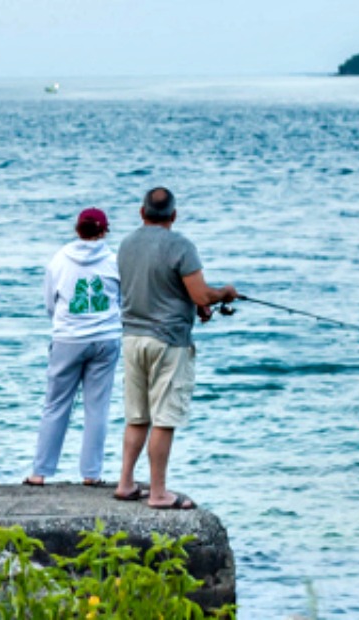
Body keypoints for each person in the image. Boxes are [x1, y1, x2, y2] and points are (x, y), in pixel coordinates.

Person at [114, 187, 237, 510]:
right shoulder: (181, 246)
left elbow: (154, 287)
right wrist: (224, 293)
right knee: (164, 418)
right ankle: (158, 493)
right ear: (173, 215)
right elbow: (200, 294)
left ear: (142, 213)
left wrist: (194, 303)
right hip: (168, 341)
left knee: (137, 416)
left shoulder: (126, 245)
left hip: (132, 338)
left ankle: (125, 483)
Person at [25, 208, 121, 487]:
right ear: (104, 231)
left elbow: (49, 303)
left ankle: (40, 473)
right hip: (105, 337)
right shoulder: (115, 261)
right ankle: (91, 474)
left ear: (78, 229)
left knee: (55, 405)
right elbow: (122, 300)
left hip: (68, 338)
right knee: (97, 407)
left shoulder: (59, 260)